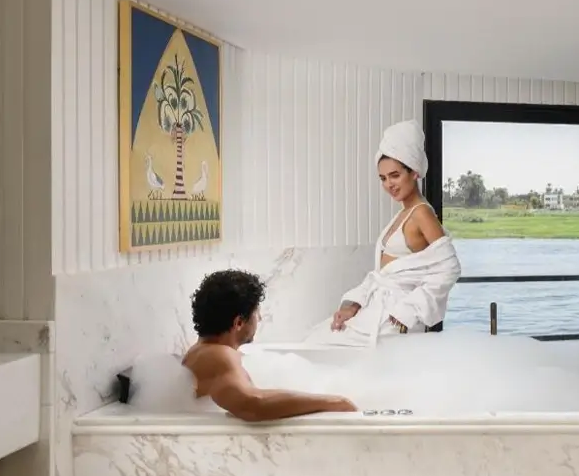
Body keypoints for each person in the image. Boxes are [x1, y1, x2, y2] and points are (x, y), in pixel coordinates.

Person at [309, 120, 462, 346]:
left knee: (324, 344)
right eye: (383, 178)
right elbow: (382, 275)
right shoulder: (403, 214)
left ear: (414, 172)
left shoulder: (422, 214)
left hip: (395, 317)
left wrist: (409, 310)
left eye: (394, 175)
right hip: (378, 308)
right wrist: (354, 305)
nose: (389, 184)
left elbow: (450, 268)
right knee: (318, 338)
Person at [184, 270, 356, 421]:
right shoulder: (219, 355)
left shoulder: (203, 351)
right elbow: (253, 404)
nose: (259, 319)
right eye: (256, 313)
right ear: (238, 323)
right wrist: (334, 402)